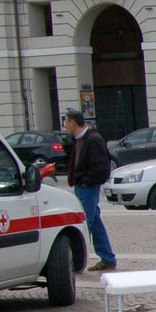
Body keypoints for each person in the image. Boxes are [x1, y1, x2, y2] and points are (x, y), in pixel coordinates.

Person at [63, 109, 117, 272]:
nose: (65, 126)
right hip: (82, 187)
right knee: (95, 223)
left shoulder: (93, 139)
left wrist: (86, 181)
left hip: (88, 188)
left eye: (66, 122)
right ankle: (107, 258)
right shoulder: (79, 139)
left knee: (85, 224)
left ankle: (77, 261)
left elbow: (101, 167)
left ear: (73, 123)